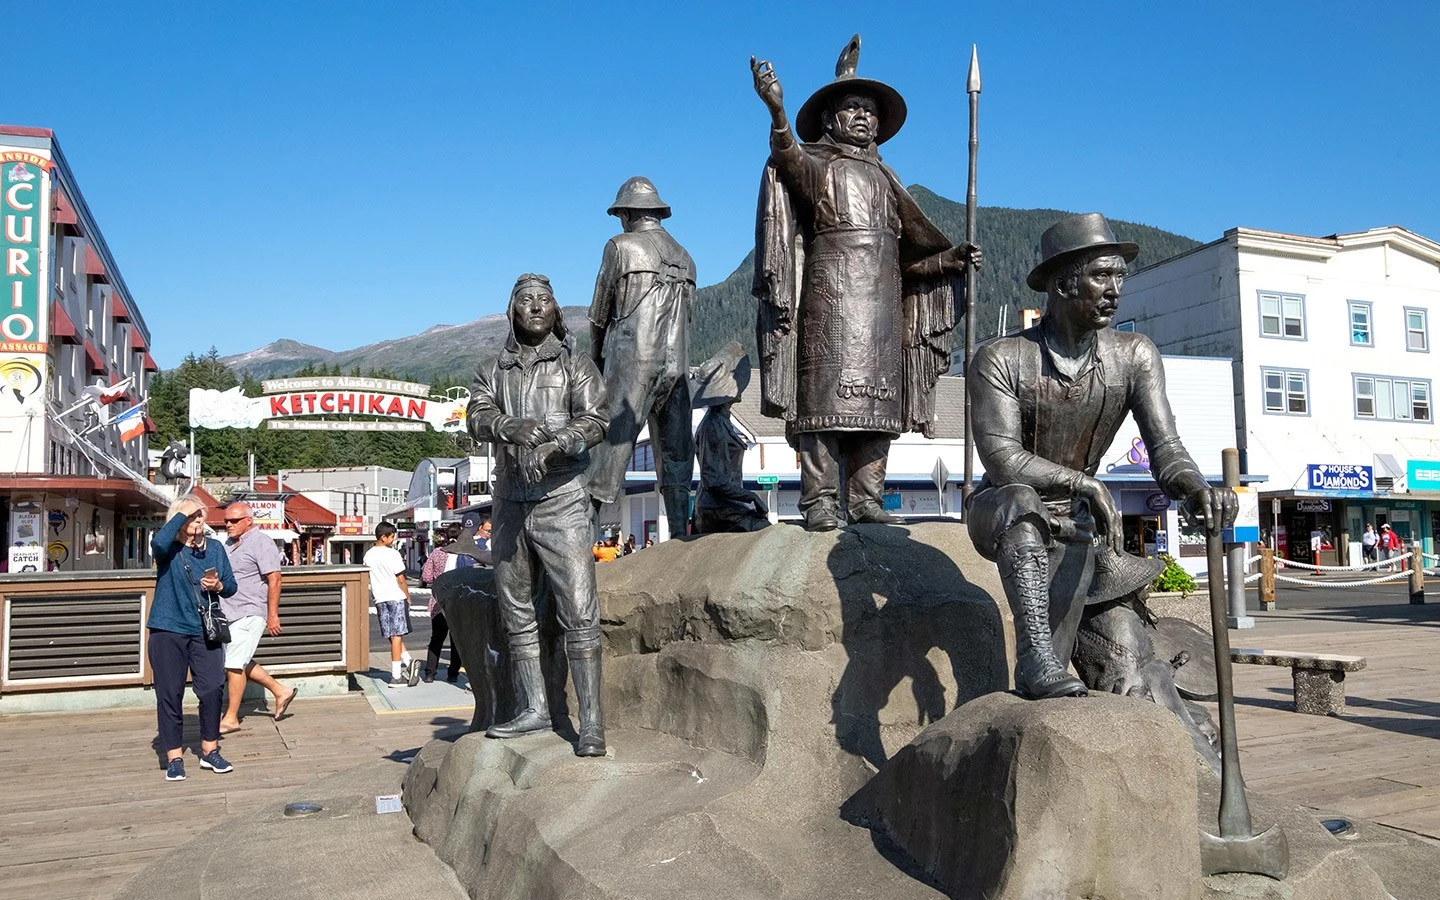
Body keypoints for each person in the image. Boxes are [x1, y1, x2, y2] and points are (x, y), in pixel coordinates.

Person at [967, 213, 1237, 764]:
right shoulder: (1003, 358)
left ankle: (1203, 794)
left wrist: (1195, 487)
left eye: (1120, 277)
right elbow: (1001, 459)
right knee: (1021, 502)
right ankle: (1037, 658)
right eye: (1101, 277)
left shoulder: (1134, 356)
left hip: (1083, 536)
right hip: (1005, 512)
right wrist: (1080, 481)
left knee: (1134, 671)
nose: (1115, 290)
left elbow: (1167, 450)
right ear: (1064, 282)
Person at [750, 36, 981, 531]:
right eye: (853, 107)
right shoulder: (822, 169)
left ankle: (866, 499)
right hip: (831, 301)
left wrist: (949, 262)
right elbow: (788, 158)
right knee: (824, 406)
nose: (864, 117)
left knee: (878, 410)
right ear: (831, 119)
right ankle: (819, 502)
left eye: (871, 111)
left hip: (881, 312)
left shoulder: (888, 180)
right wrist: (777, 112)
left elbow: (910, 259)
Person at [467, 273, 610, 757]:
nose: (534, 306)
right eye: (525, 300)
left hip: (562, 498)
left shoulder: (576, 365)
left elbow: (596, 420)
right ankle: (534, 709)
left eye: (543, 300)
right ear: (512, 310)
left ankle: (590, 723)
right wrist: (509, 425)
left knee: (579, 610)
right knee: (517, 609)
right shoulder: (492, 369)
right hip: (509, 501)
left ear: (555, 311)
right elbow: (475, 414)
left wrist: (555, 445)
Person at [587, 176, 697, 537]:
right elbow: (689, 318)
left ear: (628, 213)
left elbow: (599, 314)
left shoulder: (620, 247)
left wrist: (595, 363)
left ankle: (582, 541)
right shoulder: (687, 258)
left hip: (632, 363)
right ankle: (681, 538)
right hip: (677, 368)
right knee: (677, 455)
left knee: (609, 454)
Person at [148, 495, 239, 781]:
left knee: (212, 688)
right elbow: (157, 544)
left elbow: (231, 587)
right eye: (192, 516)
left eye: (201, 516)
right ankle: (174, 756)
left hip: (205, 629)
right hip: (168, 629)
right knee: (170, 692)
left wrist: (219, 584)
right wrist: (181, 514)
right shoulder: (168, 548)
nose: (199, 521)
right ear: (179, 519)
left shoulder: (214, 548)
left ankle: (210, 750)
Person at [218, 502, 297, 733]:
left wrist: (272, 615)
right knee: (234, 659)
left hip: (251, 610)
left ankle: (231, 718)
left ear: (248, 520)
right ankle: (281, 690)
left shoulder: (261, 542)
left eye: (233, 521)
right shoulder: (228, 544)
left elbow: (275, 579)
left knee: (233, 664)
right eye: (226, 521)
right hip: (229, 612)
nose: (228, 525)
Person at [691, 342, 770, 533]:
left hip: (722, 505)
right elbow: (715, 481)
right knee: (767, 534)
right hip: (719, 509)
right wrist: (751, 497)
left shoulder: (718, 423)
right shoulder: (714, 426)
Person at [365, 521, 416, 687]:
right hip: (395, 596)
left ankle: (409, 662)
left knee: (390, 634)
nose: (393, 540)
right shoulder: (392, 554)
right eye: (392, 536)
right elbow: (401, 579)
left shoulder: (368, 555)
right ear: (383, 537)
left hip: (379, 598)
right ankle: (396, 676)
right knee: (397, 635)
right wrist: (407, 596)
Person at [420, 523, 472, 683]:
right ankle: (453, 674)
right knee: (456, 639)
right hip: (458, 601)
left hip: (438, 601)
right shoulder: (464, 553)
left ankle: (430, 673)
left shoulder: (437, 553)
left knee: (436, 638)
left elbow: (426, 577)